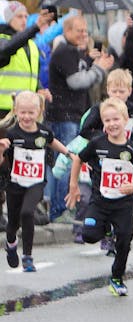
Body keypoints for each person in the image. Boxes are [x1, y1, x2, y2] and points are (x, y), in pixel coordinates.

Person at [66, 98, 133, 296]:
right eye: (107, 121)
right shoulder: (97, 143)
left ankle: (117, 278)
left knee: (125, 241)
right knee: (89, 236)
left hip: (123, 205)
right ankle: (106, 230)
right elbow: (78, 159)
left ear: (125, 120)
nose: (112, 124)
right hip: (99, 202)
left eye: (116, 119)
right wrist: (73, 185)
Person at [47, 15, 115, 220]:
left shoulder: (74, 52)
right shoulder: (65, 50)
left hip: (74, 113)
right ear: (66, 31)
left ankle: (65, 207)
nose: (84, 34)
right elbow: (76, 81)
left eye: (85, 31)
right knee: (65, 160)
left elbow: (79, 69)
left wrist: (89, 60)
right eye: (79, 31)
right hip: (63, 114)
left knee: (72, 160)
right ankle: (59, 209)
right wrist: (100, 69)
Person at [3, 92, 70, 272]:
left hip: (36, 182)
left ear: (39, 111)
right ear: (16, 111)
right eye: (23, 112)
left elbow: (52, 142)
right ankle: (10, 243)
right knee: (12, 224)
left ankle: (27, 256)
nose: (26, 117)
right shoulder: (12, 133)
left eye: (31, 113)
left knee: (27, 212)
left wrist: (68, 153)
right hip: (15, 183)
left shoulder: (43, 132)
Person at [0, 1, 54, 117]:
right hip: (4, 109)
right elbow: (7, 49)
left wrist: (39, 88)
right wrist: (35, 28)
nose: (24, 20)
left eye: (26, 17)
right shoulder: (2, 38)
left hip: (26, 108)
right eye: (19, 16)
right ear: (9, 19)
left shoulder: (31, 44)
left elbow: (31, 74)